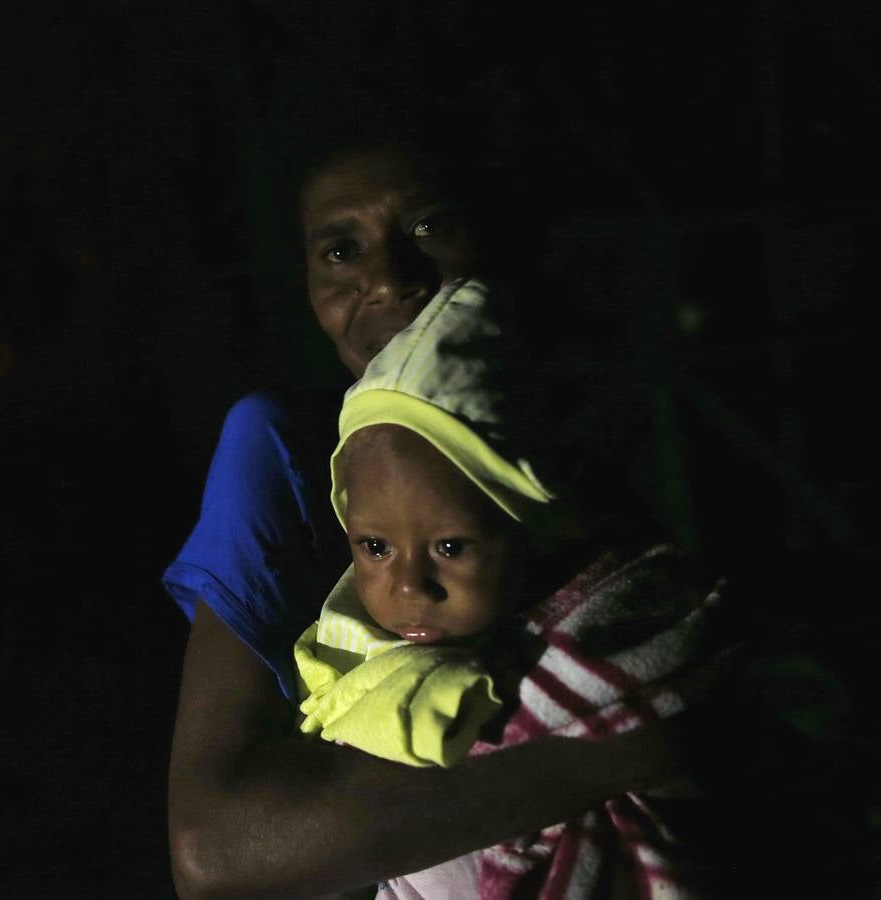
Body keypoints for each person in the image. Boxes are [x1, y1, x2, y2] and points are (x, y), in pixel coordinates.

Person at [164, 138, 692, 899]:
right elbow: (214, 854)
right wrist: (627, 746)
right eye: (339, 251)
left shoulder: (582, 442)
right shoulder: (289, 445)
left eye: (428, 227)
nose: (385, 279)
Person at [291, 277, 726, 897]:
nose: (410, 585)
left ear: (531, 530)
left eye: (450, 547)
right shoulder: (355, 657)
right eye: (375, 546)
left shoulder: (603, 643)